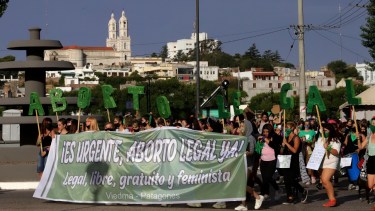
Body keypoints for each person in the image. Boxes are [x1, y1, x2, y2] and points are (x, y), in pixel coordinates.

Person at [281, 121, 308, 204]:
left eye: (287, 127)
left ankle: (302, 190)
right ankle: (290, 196)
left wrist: (287, 144)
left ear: (292, 128)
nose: (286, 129)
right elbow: (281, 151)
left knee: (291, 179)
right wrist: (282, 146)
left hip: (293, 160)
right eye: (285, 128)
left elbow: (295, 150)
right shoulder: (285, 137)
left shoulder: (296, 138)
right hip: (285, 159)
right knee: (286, 179)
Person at [318, 123, 342, 207]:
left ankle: (333, 200)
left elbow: (336, 152)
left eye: (326, 130)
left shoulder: (335, 140)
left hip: (331, 162)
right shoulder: (321, 139)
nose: (324, 131)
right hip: (322, 162)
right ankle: (330, 198)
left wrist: (328, 147)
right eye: (323, 130)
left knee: (325, 179)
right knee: (324, 182)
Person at [258, 123, 282, 201]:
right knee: (264, 178)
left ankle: (277, 189)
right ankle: (266, 193)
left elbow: (275, 147)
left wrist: (266, 140)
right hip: (263, 160)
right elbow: (258, 149)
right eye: (264, 132)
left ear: (270, 131)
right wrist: (259, 142)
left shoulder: (275, 137)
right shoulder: (262, 138)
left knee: (268, 177)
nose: (265, 133)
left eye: (267, 131)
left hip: (272, 160)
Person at [364, 117, 375, 210]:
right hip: (371, 160)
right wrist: (359, 137)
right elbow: (361, 146)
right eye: (373, 123)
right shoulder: (369, 136)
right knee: (370, 185)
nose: (374, 125)